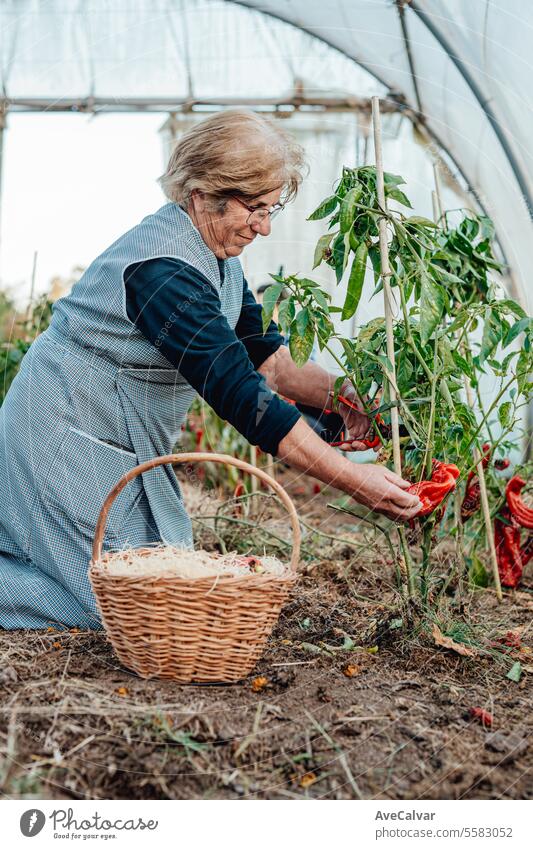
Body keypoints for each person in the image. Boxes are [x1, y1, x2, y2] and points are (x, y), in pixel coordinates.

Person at [0, 110, 421, 630]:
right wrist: (354, 480)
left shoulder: (217, 257)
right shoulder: (163, 271)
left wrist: (352, 397)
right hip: (62, 432)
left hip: (117, 438)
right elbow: (241, 394)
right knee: (112, 605)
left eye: (272, 209)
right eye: (256, 209)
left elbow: (271, 364)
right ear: (202, 194)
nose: (264, 226)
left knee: (152, 583)